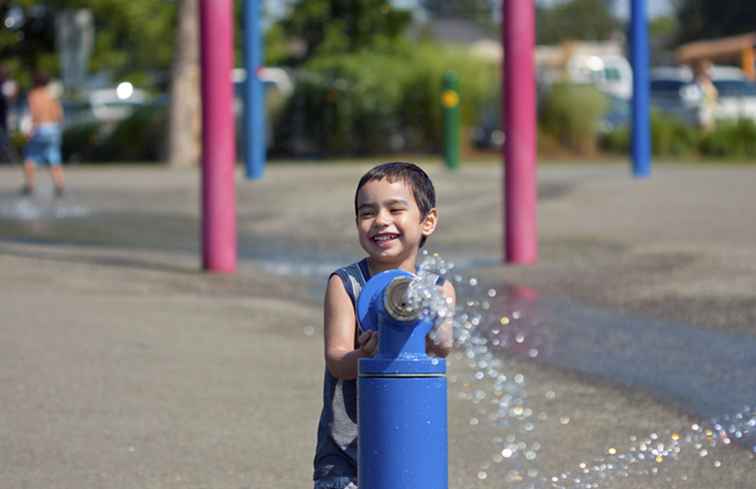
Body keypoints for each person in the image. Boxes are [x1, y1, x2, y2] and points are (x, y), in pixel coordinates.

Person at [313, 162, 455, 489]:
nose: (380, 221)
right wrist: (364, 354)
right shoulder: (346, 284)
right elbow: (337, 360)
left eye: (395, 209)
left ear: (427, 221)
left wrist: (441, 338)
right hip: (345, 455)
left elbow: (441, 347)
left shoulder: (437, 288)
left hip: (409, 442)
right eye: (367, 213)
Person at [21, 71, 65, 197]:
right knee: (54, 156)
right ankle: (59, 184)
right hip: (53, 129)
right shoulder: (52, 96)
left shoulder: (33, 95)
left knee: (30, 156)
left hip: (40, 128)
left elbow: (33, 114)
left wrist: (30, 129)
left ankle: (29, 185)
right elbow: (59, 115)